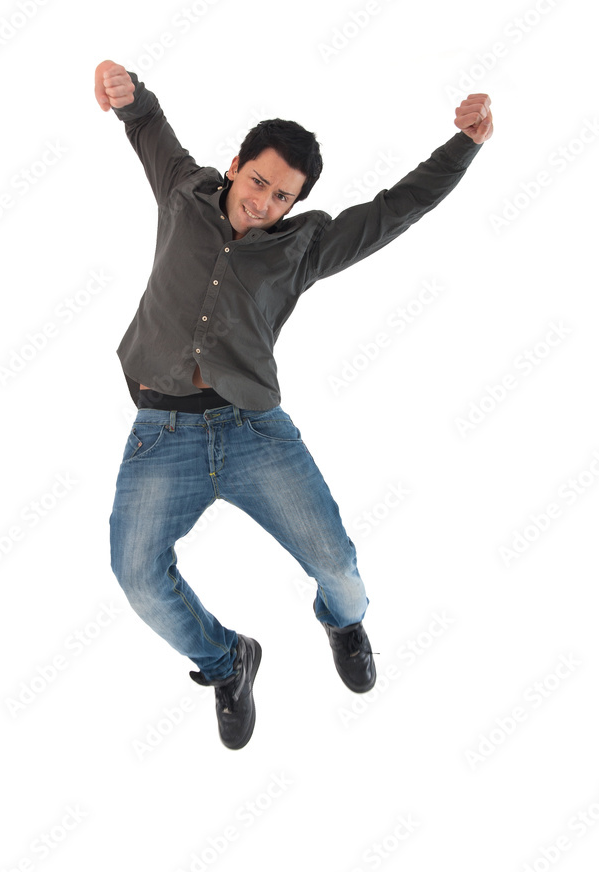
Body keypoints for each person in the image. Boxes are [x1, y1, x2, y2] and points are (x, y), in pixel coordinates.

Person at [96, 59, 493, 750]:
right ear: (234, 166)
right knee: (135, 577)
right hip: (162, 430)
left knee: (337, 566)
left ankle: (341, 624)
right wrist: (123, 83)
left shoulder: (302, 246)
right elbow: (147, 123)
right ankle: (227, 662)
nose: (263, 203)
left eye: (281, 196)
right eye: (257, 183)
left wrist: (464, 145)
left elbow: (396, 207)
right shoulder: (183, 189)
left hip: (253, 430)